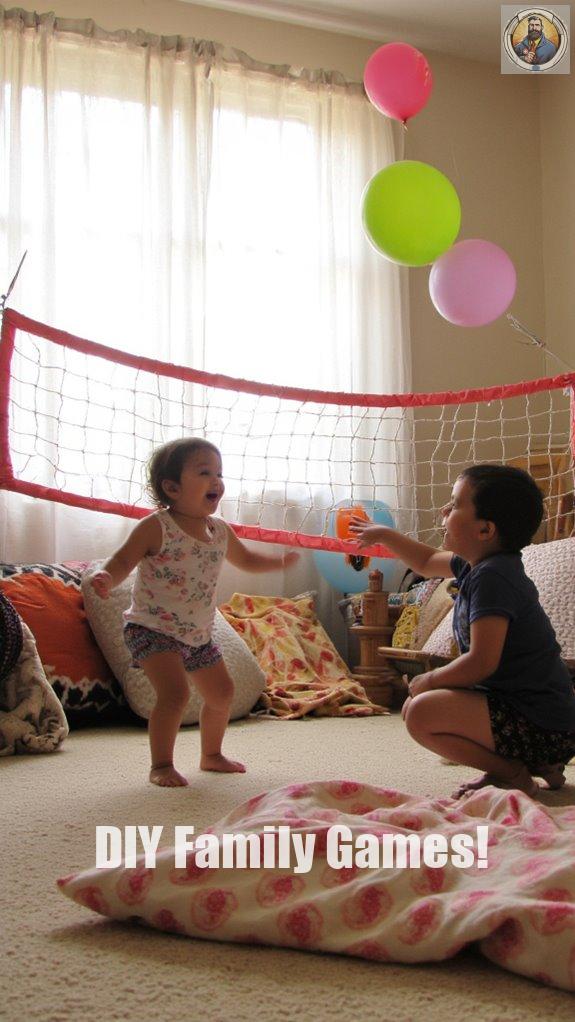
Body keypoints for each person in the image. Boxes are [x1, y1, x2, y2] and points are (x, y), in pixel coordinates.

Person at [350, 464, 575, 799]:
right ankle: (528, 765)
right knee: (417, 707)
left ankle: (513, 771)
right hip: (525, 712)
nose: (444, 510)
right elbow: (425, 563)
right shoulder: (477, 566)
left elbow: (481, 662)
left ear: (484, 530)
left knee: (421, 713)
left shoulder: (494, 578)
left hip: (543, 724)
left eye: (454, 504)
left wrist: (430, 679)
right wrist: (383, 534)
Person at [91, 437, 299, 787]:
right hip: (152, 629)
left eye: (219, 473)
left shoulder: (219, 531)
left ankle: (211, 755)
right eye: (205, 472)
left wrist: (279, 563)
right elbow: (124, 559)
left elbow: (247, 560)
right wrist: (107, 577)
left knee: (222, 693)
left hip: (198, 634)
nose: (217, 480)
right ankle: (160, 765)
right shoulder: (156, 526)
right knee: (175, 695)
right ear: (172, 487)